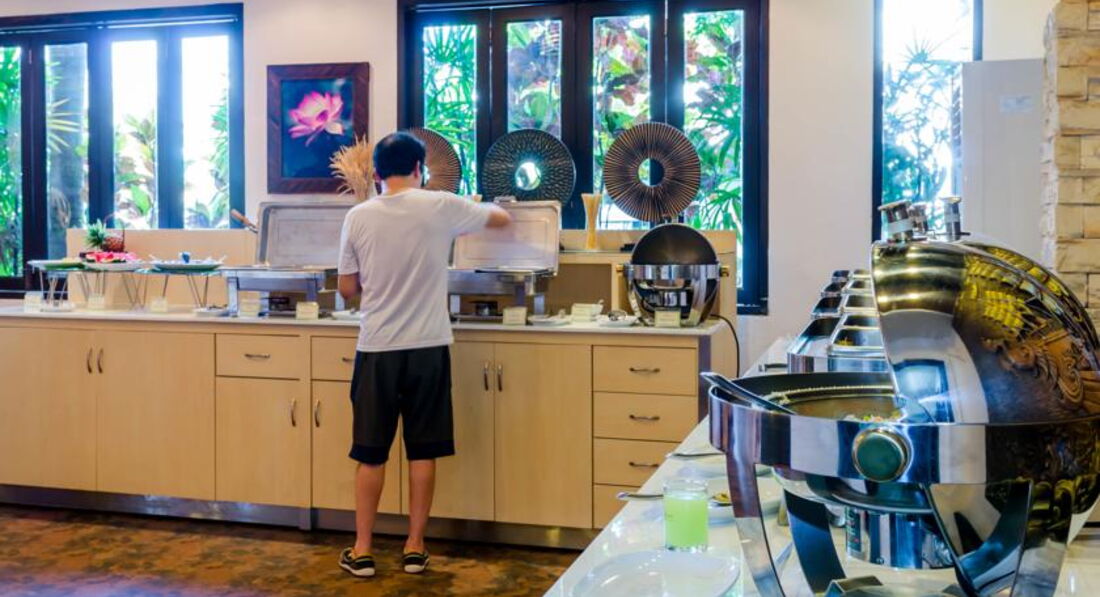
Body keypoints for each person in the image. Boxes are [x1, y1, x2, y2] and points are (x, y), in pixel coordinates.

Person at [336, 132, 512, 578]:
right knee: (422, 451)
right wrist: (473, 214)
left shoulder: (358, 216)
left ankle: (362, 550)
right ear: (420, 169)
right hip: (428, 347)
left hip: (378, 347)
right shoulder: (441, 206)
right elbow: (500, 218)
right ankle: (415, 547)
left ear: (376, 173)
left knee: (370, 453)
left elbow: (347, 287)